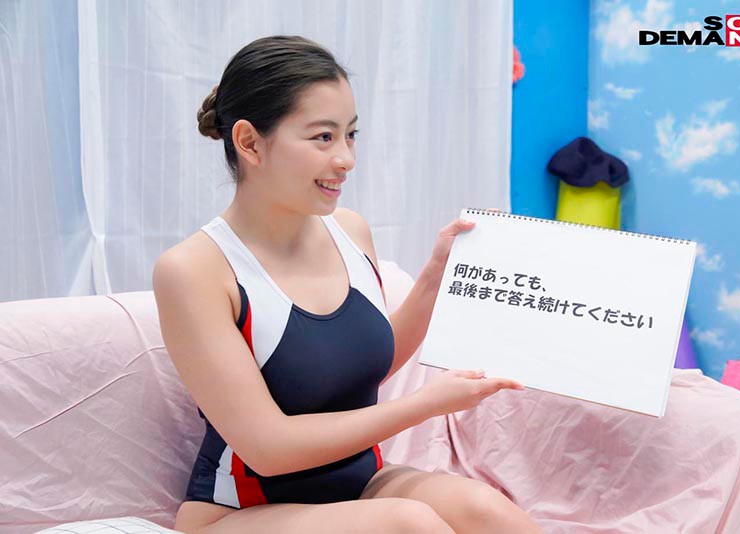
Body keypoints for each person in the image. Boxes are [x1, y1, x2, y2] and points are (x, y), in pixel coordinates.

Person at [153, 35, 542, 534]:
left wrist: (435, 275)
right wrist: (425, 405)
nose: (346, 159)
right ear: (249, 142)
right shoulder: (193, 270)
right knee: (409, 525)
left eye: (350, 135)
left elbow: (357, 368)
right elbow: (267, 449)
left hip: (360, 483)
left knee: (491, 513)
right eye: (323, 137)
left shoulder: (350, 232)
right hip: (240, 512)